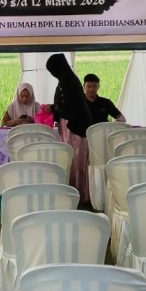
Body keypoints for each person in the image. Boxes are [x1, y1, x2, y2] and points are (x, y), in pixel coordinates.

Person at [46, 54, 94, 204]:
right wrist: (54, 109)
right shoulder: (65, 80)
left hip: (74, 127)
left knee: (75, 159)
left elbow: (70, 106)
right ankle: (72, 192)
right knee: (69, 158)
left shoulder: (69, 81)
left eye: (53, 70)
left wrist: (53, 108)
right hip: (68, 125)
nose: (52, 73)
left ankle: (78, 193)